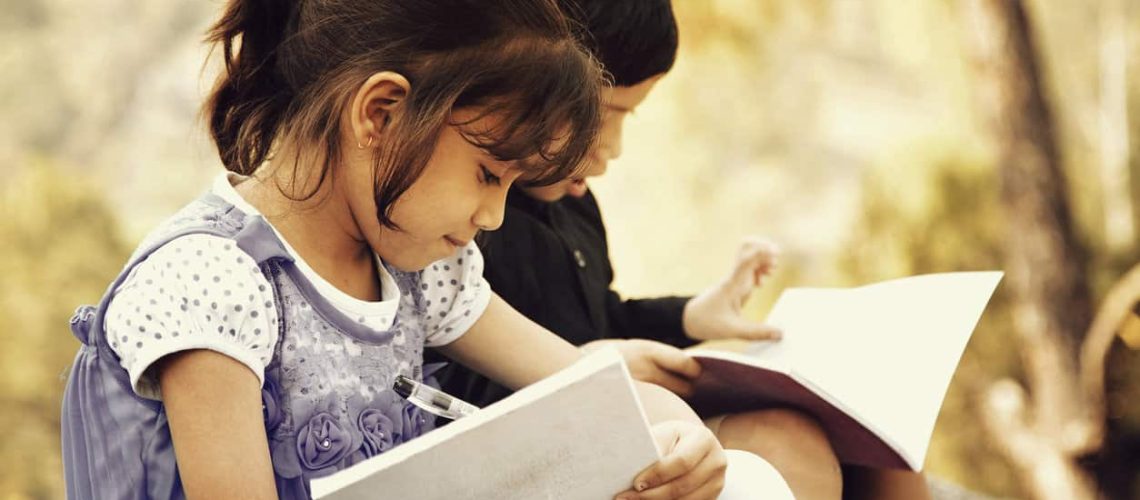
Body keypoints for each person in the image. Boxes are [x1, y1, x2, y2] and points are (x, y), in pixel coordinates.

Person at [59, 1, 739, 498]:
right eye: (488, 174)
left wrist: (683, 439)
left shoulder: (423, 274)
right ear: (380, 114)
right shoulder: (213, 282)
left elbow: (587, 384)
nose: (496, 217)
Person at [434, 1, 932, 499]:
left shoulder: (574, 209)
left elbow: (602, 315)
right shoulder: (465, 225)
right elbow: (451, 384)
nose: (613, 147)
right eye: (606, 113)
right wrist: (592, 363)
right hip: (540, 437)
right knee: (783, 444)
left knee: (880, 440)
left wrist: (689, 318)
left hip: (614, 401)